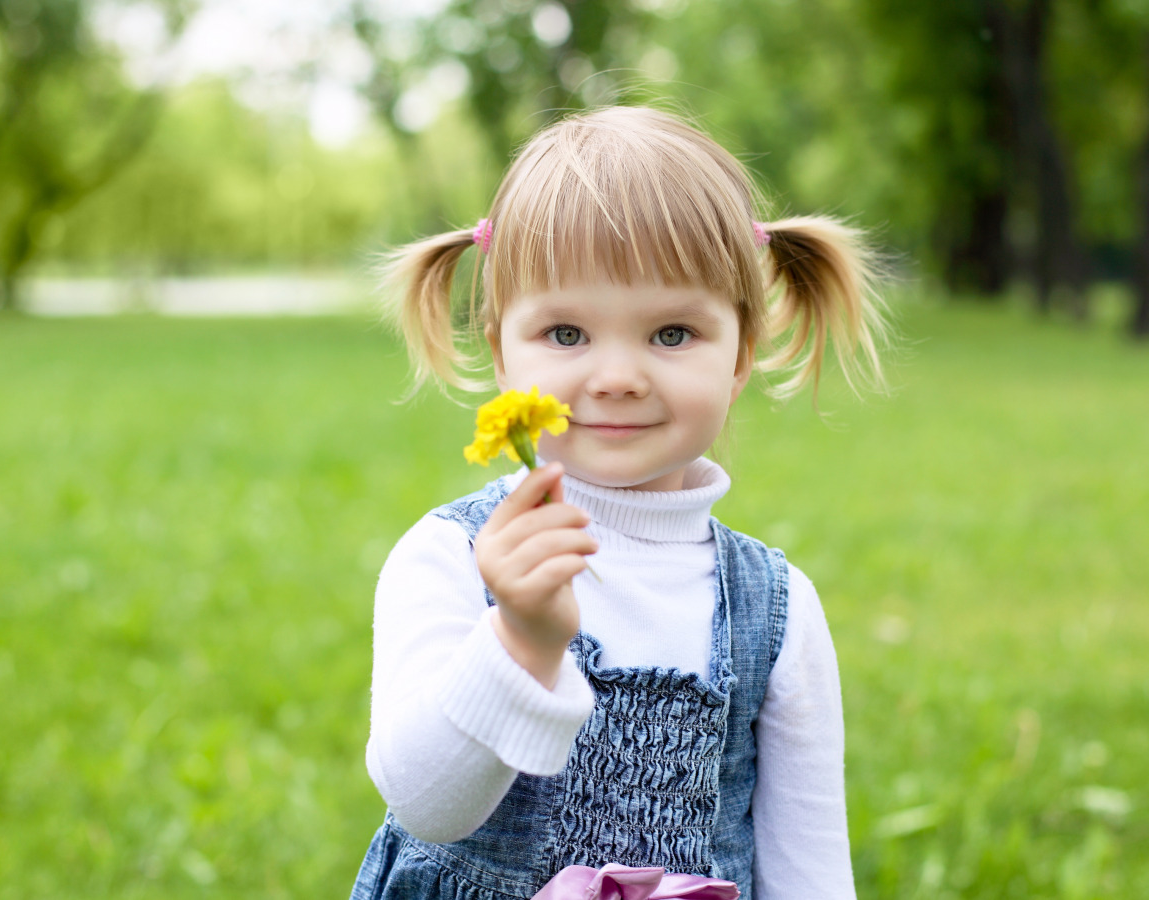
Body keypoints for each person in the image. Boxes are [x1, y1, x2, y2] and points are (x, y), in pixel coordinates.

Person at [351, 106, 890, 900]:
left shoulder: (775, 611)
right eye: (566, 334)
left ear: (740, 356)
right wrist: (519, 642)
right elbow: (426, 807)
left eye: (671, 334)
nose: (617, 376)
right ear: (502, 353)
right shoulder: (451, 559)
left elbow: (810, 870)